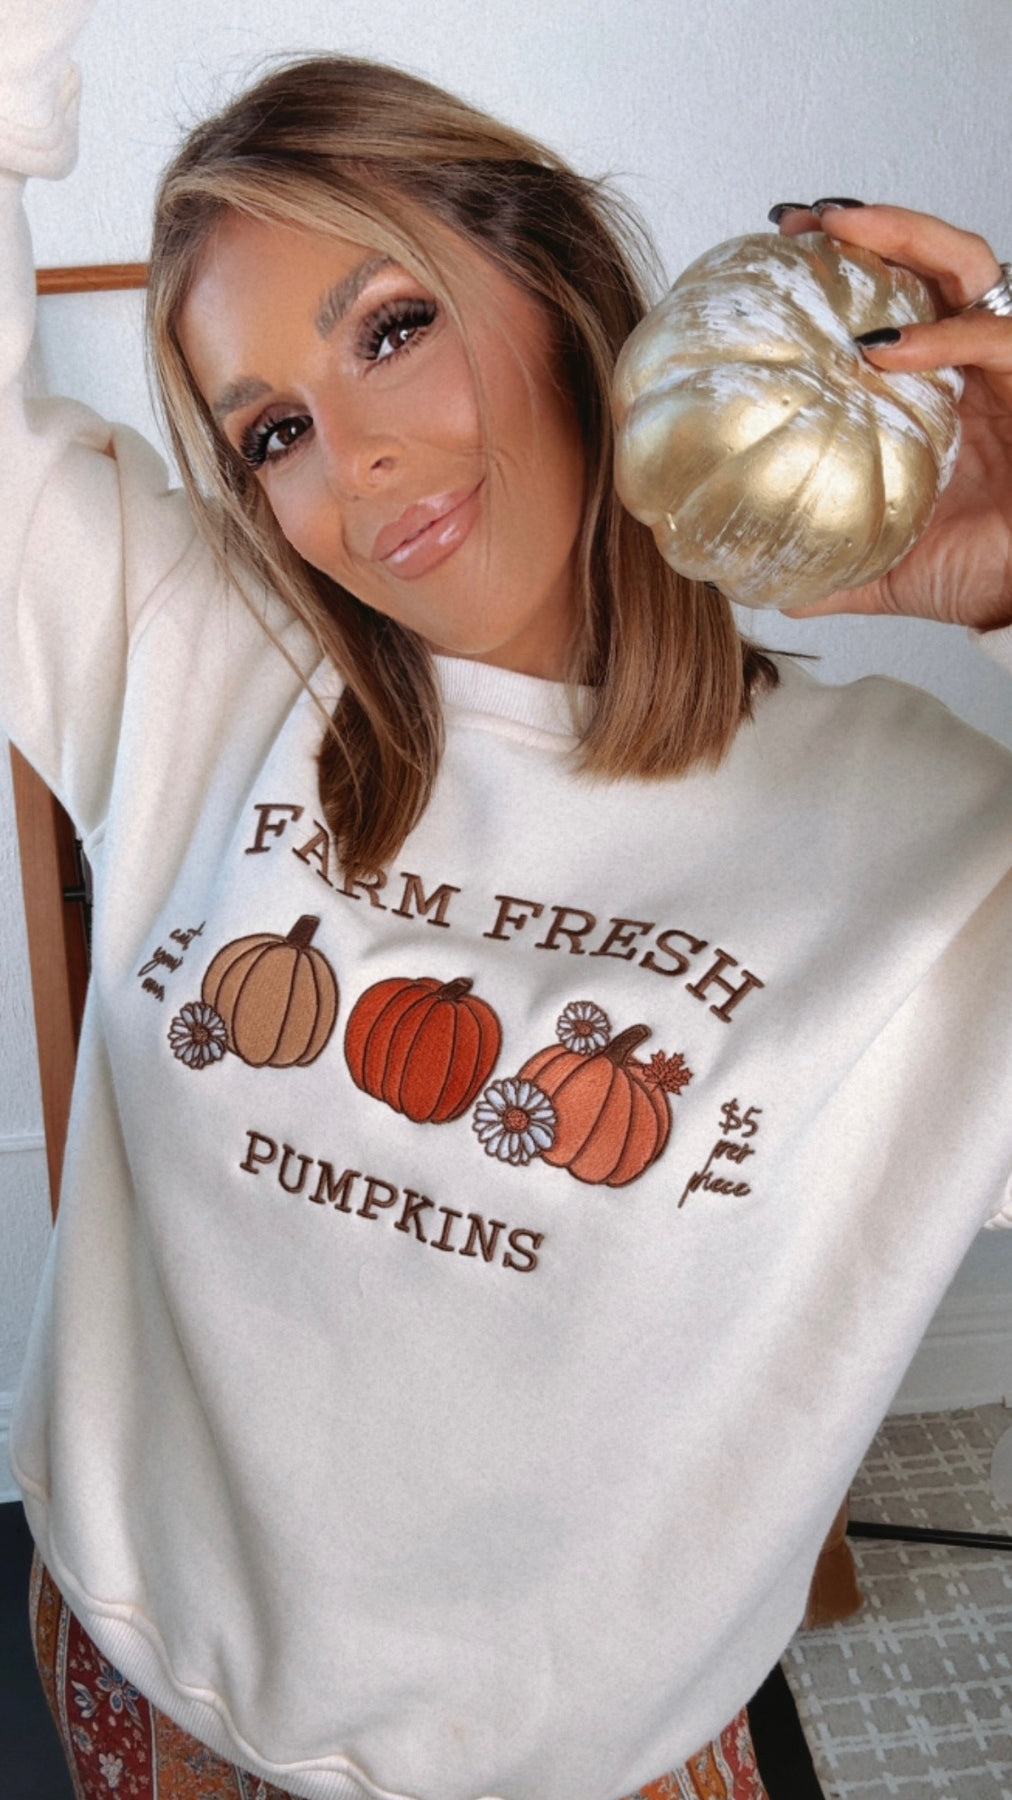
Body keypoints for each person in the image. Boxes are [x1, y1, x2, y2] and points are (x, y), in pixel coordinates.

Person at [3, 4, 1011, 1799]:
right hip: (146, 1686)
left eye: (392, 330)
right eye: (272, 431)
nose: (352, 462)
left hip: (583, 1766)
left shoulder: (931, 847)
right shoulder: (197, 662)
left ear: (556, 288)